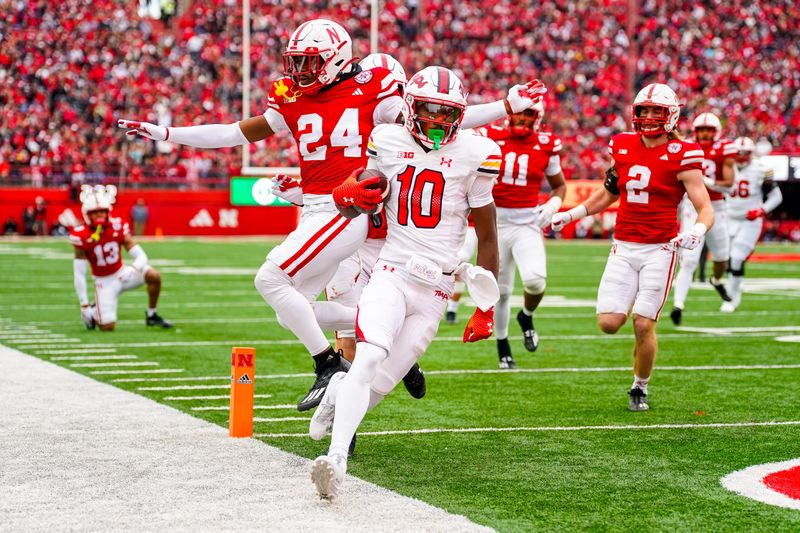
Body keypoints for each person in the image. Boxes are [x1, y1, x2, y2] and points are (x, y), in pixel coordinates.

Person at [119, 19, 542, 411]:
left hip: (357, 211)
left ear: (336, 57)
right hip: (322, 209)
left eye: (309, 61)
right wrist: (167, 133)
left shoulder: (371, 86)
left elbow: (436, 116)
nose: (300, 70)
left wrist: (505, 106)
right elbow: (233, 132)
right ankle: (376, 346)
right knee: (294, 307)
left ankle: (329, 369)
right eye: (296, 62)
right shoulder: (292, 96)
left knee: (280, 286)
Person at [309, 66, 504, 501]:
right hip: (393, 269)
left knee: (379, 384)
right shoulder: (388, 140)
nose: (436, 121)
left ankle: (337, 392)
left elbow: (489, 236)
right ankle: (335, 460)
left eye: (445, 113)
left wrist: (486, 306)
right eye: (429, 111)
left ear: (459, 114)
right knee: (371, 354)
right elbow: (364, 186)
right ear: (410, 108)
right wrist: (348, 192)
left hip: (437, 290)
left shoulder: (479, 153)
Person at [551, 83, 713, 412]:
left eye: (657, 111)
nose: (650, 117)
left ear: (671, 115)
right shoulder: (623, 145)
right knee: (609, 323)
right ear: (635, 113)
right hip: (623, 246)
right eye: (645, 110)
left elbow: (705, 207)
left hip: (661, 248)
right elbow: (610, 191)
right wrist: (572, 213)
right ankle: (638, 362)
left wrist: (696, 230)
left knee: (643, 323)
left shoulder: (684, 153)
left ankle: (640, 386)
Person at [482, 100, 566, 368]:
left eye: (528, 114)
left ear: (536, 117)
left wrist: (553, 205)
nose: (522, 118)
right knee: (502, 291)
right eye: (519, 112)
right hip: (495, 224)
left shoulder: (546, 143)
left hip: (527, 223)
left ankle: (527, 315)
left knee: (535, 281)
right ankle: (503, 345)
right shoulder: (491, 136)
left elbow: (559, 186)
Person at [70, 185, 173, 331]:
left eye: (102, 211)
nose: (99, 215)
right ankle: (94, 310)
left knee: (153, 276)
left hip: (122, 274)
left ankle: (152, 315)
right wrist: (84, 304)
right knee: (107, 327)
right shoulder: (81, 235)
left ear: (108, 212)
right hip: (103, 282)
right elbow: (79, 273)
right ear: (87, 215)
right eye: (95, 212)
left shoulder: (117, 227)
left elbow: (141, 255)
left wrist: (132, 269)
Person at [669, 112, 735, 325]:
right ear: (695, 132)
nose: (705, 134)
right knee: (689, 260)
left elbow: (729, 183)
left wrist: (704, 180)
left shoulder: (724, 149)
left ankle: (716, 280)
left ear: (716, 132)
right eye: (701, 130)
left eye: (709, 130)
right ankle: (678, 305)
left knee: (722, 258)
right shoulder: (687, 148)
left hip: (717, 206)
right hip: (693, 206)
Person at [721, 136, 783, 312]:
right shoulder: (726, 166)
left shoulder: (761, 170)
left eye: (744, 153)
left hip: (750, 220)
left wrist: (761, 210)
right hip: (729, 217)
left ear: (751, 153)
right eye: (738, 153)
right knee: (728, 260)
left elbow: (776, 197)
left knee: (737, 258)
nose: (740, 156)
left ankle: (731, 299)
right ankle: (736, 286)